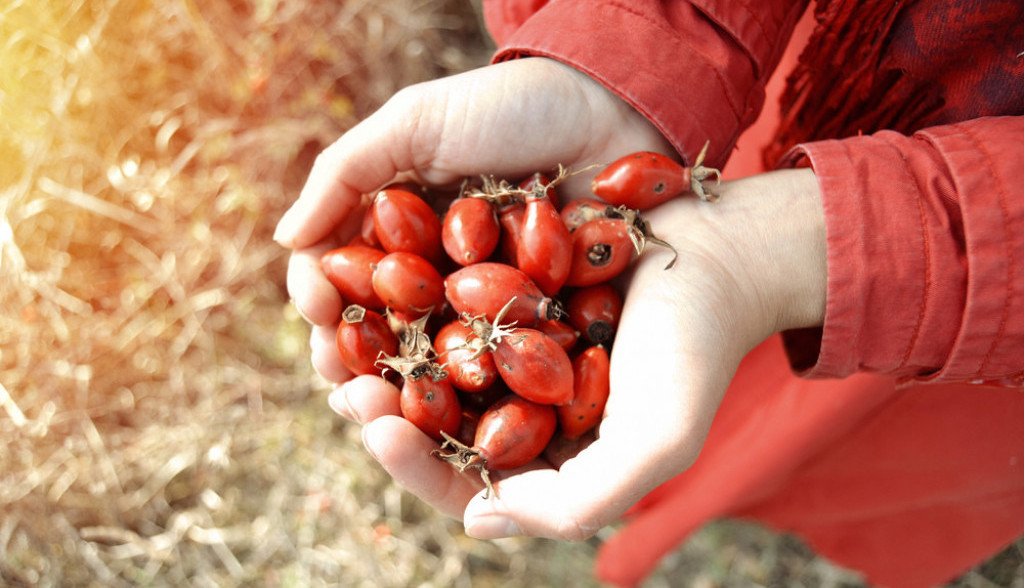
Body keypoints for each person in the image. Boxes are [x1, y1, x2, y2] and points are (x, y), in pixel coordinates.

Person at [274, 1, 1024, 586]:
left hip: (961, 309)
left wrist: (814, 253)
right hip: (783, 70)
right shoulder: (530, 298)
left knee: (829, 443)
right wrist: (628, 59)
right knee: (726, 419)